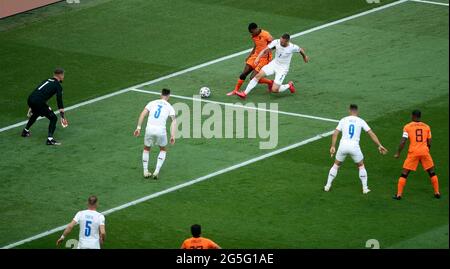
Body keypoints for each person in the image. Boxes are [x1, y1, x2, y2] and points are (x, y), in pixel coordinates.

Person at [325, 104, 388, 194]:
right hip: (354, 147)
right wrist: (379, 145)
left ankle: (327, 186)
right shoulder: (361, 121)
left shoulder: (343, 120)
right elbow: (371, 133)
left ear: (349, 111)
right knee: (361, 166)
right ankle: (365, 188)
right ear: (357, 111)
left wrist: (333, 146)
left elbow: (335, 134)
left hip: (343, 146)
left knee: (336, 165)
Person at [236, 33, 309, 99]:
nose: (281, 43)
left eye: (283, 42)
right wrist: (258, 58)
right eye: (280, 41)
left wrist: (304, 57)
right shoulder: (276, 42)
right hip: (274, 64)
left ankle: (289, 85)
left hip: (282, 69)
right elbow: (265, 50)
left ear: (287, 41)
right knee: (258, 76)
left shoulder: (293, 47)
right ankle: (244, 93)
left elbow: (300, 50)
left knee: (274, 90)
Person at [393, 110, 440, 200]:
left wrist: (398, 153)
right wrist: (426, 150)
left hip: (413, 153)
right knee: (432, 172)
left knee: (404, 173)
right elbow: (429, 141)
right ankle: (437, 192)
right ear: (420, 116)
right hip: (425, 152)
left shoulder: (407, 127)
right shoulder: (427, 127)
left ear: (413, 116)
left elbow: (403, 141)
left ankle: (399, 195)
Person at [134, 88, 176, 179]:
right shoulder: (170, 107)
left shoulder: (152, 103)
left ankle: (145, 171)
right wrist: (172, 135)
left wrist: (138, 128)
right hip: (161, 130)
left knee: (146, 148)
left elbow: (142, 114)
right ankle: (156, 171)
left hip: (149, 129)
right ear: (169, 96)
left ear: (161, 94)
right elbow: (173, 121)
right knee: (163, 149)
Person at [21, 68, 68, 145]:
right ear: (60, 75)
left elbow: (40, 92)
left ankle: (25, 131)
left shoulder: (47, 80)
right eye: (63, 75)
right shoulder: (57, 86)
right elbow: (59, 100)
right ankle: (50, 139)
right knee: (53, 118)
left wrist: (31, 106)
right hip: (38, 101)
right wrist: (62, 115)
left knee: (36, 113)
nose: (63, 77)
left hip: (31, 98)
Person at [227, 22, 274, 96]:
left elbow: (274, 44)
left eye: (252, 32)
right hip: (255, 56)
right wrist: (250, 55)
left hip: (264, 59)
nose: (251, 34)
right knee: (244, 73)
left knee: (253, 78)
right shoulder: (254, 35)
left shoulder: (266, 34)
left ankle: (270, 82)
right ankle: (235, 90)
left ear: (255, 29)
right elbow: (256, 45)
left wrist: (267, 51)